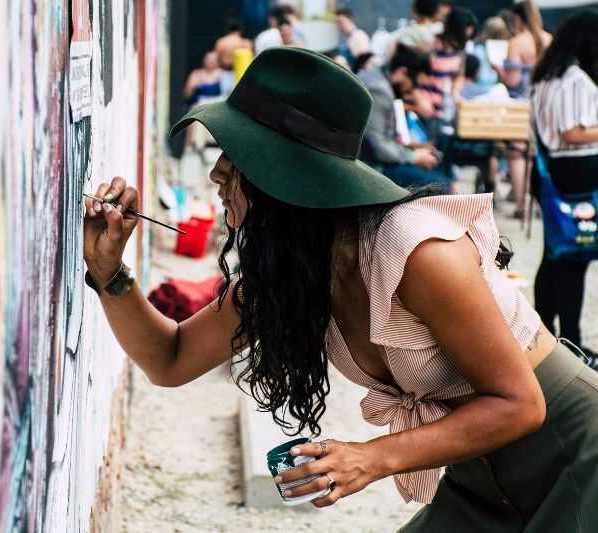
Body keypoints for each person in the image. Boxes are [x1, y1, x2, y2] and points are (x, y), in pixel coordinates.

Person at [84, 47, 598, 530]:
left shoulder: (415, 249)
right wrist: (111, 273)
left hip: (573, 449)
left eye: (236, 154)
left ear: (285, 176)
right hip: (479, 461)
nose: (218, 171)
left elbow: (521, 404)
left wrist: (371, 458)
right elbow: (170, 359)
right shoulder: (296, 274)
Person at [531, 9, 598, 362]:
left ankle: (546, 333)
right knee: (575, 256)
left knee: (556, 254)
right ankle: (571, 341)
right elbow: (572, 133)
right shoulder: (577, 80)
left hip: (552, 172)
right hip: (580, 175)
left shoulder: (545, 77)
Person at [359, 44, 449, 190]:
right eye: (414, 84)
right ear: (402, 72)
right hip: (373, 169)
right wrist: (413, 157)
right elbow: (378, 147)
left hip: (376, 163)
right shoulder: (379, 90)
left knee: (438, 170)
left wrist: (414, 152)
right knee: (443, 186)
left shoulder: (379, 78)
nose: (413, 90)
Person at [493, 1, 552, 219]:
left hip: (523, 106)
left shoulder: (516, 43)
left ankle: (521, 205)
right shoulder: (549, 39)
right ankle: (541, 204)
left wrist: (500, 70)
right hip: (548, 105)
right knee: (542, 154)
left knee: (518, 153)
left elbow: (513, 81)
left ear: (517, 19)